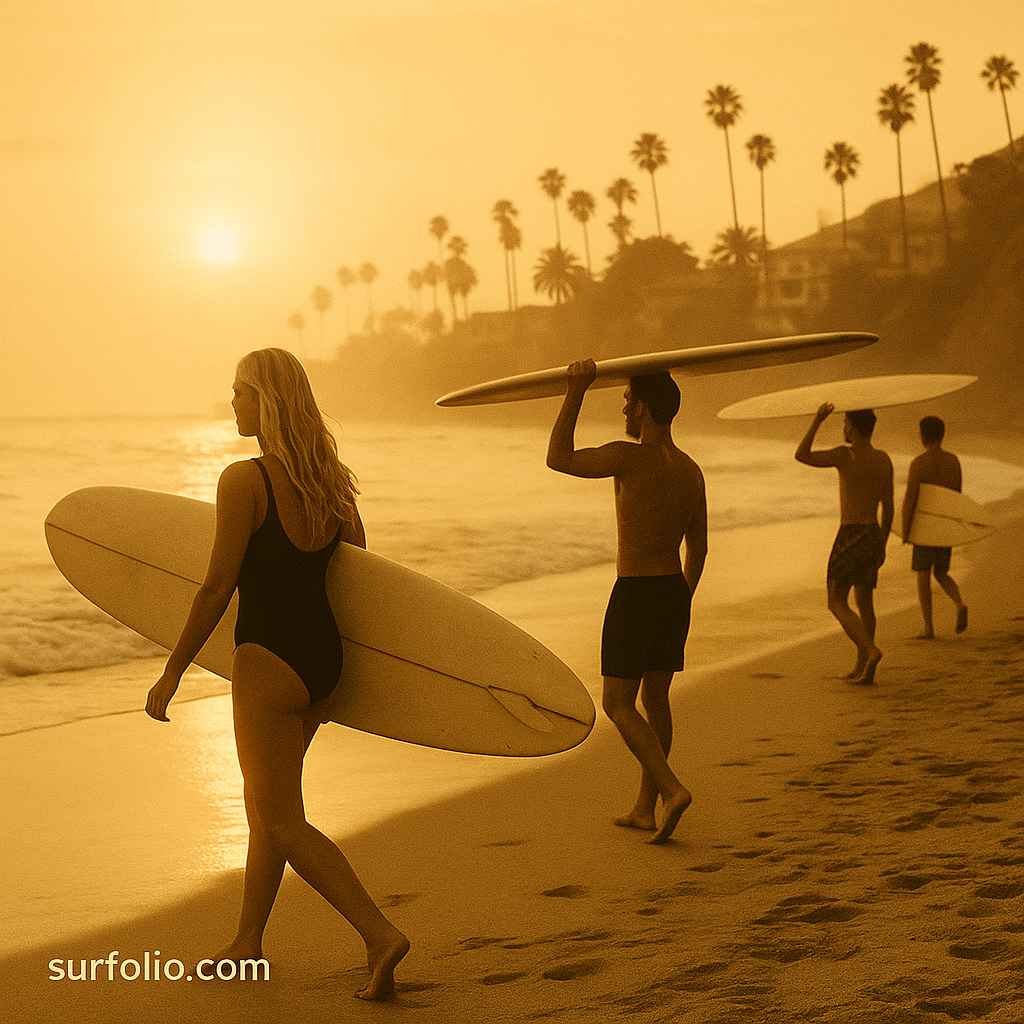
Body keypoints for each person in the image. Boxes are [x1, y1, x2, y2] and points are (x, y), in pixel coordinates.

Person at [145, 348, 409, 1000]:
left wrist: (171, 672)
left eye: (240, 392)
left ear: (267, 401)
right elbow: (362, 572)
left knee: (282, 817)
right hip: (322, 661)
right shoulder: (331, 481)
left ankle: (379, 934)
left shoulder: (245, 480)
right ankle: (247, 943)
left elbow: (215, 588)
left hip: (267, 661)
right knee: (267, 807)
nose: (233, 402)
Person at [547, 359, 707, 844]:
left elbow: (559, 457)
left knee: (616, 703)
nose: (623, 409)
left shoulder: (629, 457)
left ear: (643, 407)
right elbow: (697, 548)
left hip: (635, 592)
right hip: (672, 590)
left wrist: (576, 389)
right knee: (654, 698)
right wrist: (683, 600)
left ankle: (671, 788)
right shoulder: (691, 470)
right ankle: (644, 807)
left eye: (626, 401)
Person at [795, 403, 894, 684]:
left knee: (836, 600)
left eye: (845, 423)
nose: (843, 428)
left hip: (850, 534)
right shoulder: (884, 459)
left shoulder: (845, 455)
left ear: (852, 427)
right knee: (864, 599)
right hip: (873, 533)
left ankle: (870, 650)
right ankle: (863, 665)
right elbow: (888, 508)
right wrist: (882, 544)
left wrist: (817, 420)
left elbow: (801, 455)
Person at [902, 415, 968, 638]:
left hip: (924, 526)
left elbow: (910, 499)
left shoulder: (918, 463)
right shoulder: (953, 461)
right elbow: (957, 496)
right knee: (941, 572)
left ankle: (928, 627)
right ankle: (959, 603)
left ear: (922, 436)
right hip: (944, 522)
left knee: (923, 574)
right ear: (942, 434)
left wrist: (906, 529)